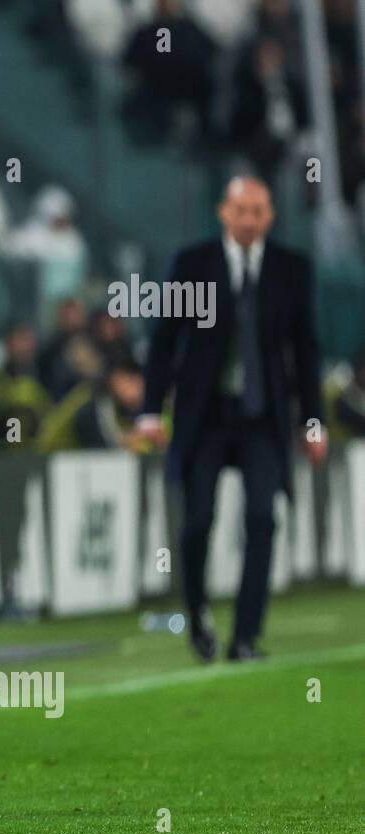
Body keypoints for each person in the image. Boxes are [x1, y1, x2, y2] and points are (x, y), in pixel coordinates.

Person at [135, 176, 324, 662]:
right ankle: (197, 613)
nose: (247, 219)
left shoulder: (290, 269)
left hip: (263, 416)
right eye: (240, 209)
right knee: (198, 521)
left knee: (262, 519)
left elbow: (305, 351)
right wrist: (150, 411)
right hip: (207, 417)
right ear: (223, 212)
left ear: (270, 216)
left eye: (257, 210)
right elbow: (163, 342)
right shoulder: (192, 264)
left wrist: (314, 421)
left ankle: (244, 636)